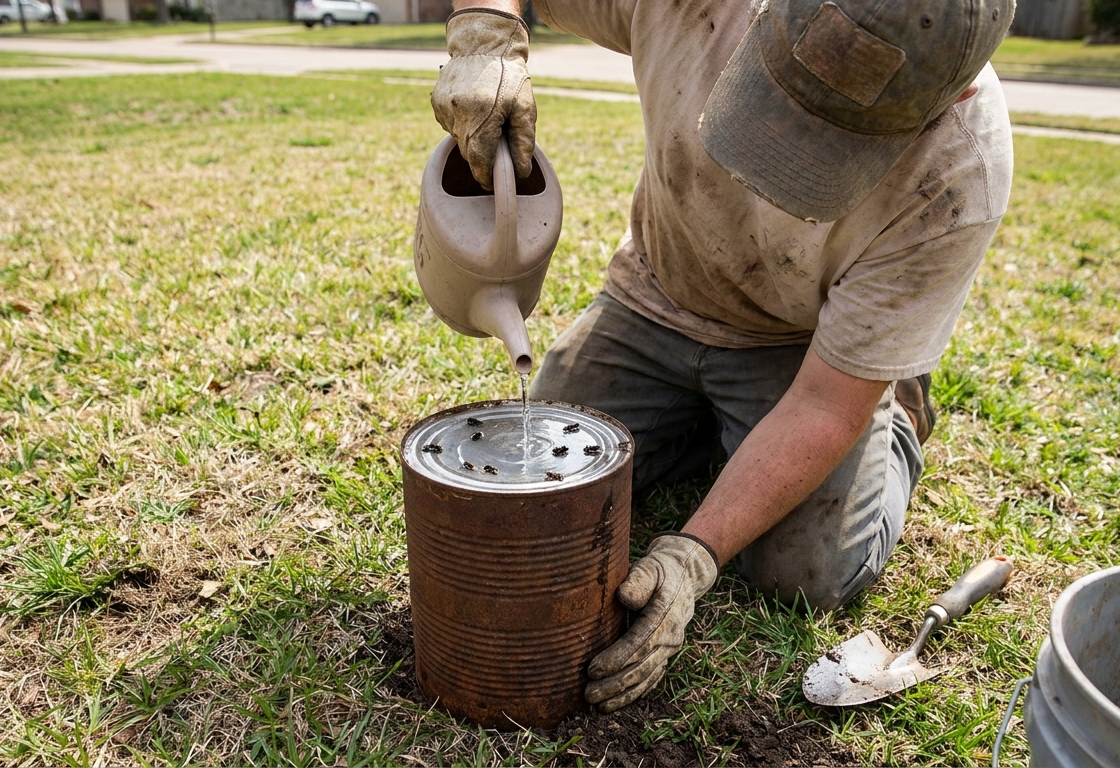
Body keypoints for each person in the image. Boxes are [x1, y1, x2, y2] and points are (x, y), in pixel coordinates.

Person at [430, 0, 1015, 713]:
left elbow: (825, 404)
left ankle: (893, 409)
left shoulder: (960, 171)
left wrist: (693, 556)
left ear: (958, 91)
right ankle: (722, 433)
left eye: (835, 135)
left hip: (802, 351)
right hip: (653, 298)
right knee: (554, 483)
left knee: (806, 574)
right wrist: (486, 36)